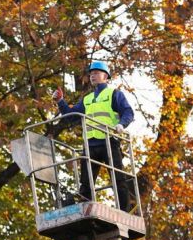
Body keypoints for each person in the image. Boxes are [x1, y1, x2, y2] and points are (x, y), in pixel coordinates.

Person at [52, 60, 134, 211]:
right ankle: (86, 209)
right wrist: (61, 102)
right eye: (91, 74)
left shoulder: (114, 94)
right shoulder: (87, 99)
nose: (92, 76)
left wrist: (122, 124)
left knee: (118, 177)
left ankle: (125, 211)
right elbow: (71, 116)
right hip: (91, 144)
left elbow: (128, 112)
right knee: (86, 182)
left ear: (106, 77)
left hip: (109, 141)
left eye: (96, 73)